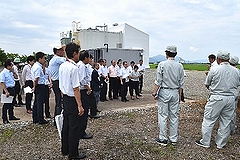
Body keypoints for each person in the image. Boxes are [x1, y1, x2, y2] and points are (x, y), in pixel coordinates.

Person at [195, 51, 240, 149]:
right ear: (228, 59)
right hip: (231, 98)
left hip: (217, 97)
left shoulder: (215, 69)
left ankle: (205, 142)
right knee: (226, 121)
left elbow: (207, 84)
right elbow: (237, 84)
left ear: (218, 59)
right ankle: (220, 144)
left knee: (209, 120)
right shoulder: (236, 71)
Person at [152, 45, 184, 146]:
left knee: (163, 115)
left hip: (164, 91)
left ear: (166, 53)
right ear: (176, 54)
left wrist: (154, 93)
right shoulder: (180, 66)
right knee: (174, 116)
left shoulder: (162, 64)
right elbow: (181, 83)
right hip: (175, 92)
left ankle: (163, 138)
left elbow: (158, 81)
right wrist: (179, 96)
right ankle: (174, 138)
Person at [59, 42, 86, 159]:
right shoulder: (73, 68)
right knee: (74, 128)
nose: (79, 54)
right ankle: (73, 153)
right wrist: (80, 105)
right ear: (74, 53)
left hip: (65, 97)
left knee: (66, 125)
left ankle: (65, 149)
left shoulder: (63, 66)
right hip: (72, 99)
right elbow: (76, 89)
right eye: (78, 52)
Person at [77, 50, 94, 139]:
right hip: (82, 91)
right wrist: (88, 88)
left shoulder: (80, 65)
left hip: (82, 90)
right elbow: (82, 80)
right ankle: (81, 132)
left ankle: (80, 131)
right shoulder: (82, 66)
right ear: (85, 58)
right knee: (84, 112)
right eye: (89, 57)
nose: (89, 59)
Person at [48, 44, 66, 120]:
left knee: (59, 100)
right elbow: (68, 60)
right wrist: (65, 50)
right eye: (61, 50)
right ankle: (58, 119)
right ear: (58, 51)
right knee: (59, 101)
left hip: (55, 81)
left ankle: (58, 118)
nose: (63, 52)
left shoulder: (53, 59)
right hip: (57, 81)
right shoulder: (57, 59)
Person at [0, 59, 20, 124]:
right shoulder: (3, 73)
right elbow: (2, 83)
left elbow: (16, 77)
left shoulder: (10, 72)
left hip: (12, 88)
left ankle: (11, 115)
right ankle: (4, 118)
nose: (12, 67)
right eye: (11, 65)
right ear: (8, 66)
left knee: (12, 104)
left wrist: (13, 72)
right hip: (7, 89)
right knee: (6, 105)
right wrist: (6, 91)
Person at [31, 52, 49, 124]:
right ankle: (41, 119)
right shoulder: (38, 67)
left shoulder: (35, 66)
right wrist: (34, 87)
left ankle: (35, 118)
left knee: (36, 103)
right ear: (39, 59)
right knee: (40, 103)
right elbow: (36, 79)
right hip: (39, 86)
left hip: (38, 86)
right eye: (43, 58)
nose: (44, 60)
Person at [86, 55, 100, 119]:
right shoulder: (86, 67)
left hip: (89, 85)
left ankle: (93, 113)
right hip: (87, 86)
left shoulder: (90, 67)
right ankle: (92, 113)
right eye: (92, 60)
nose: (93, 61)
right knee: (92, 100)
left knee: (92, 101)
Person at [228, 55, 239, 135]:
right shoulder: (238, 71)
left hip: (223, 94)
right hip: (234, 94)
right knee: (232, 112)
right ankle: (232, 129)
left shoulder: (224, 69)